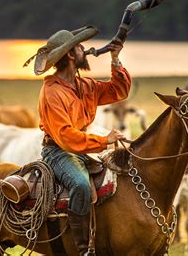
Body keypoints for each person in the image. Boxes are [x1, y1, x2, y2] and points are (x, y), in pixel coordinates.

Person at [27, 25, 131, 255]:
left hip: (80, 149)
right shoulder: (52, 92)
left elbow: (119, 90)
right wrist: (104, 140)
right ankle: (82, 248)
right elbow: (65, 136)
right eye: (79, 47)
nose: (84, 49)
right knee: (82, 185)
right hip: (58, 152)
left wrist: (115, 59)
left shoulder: (85, 85)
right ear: (71, 55)